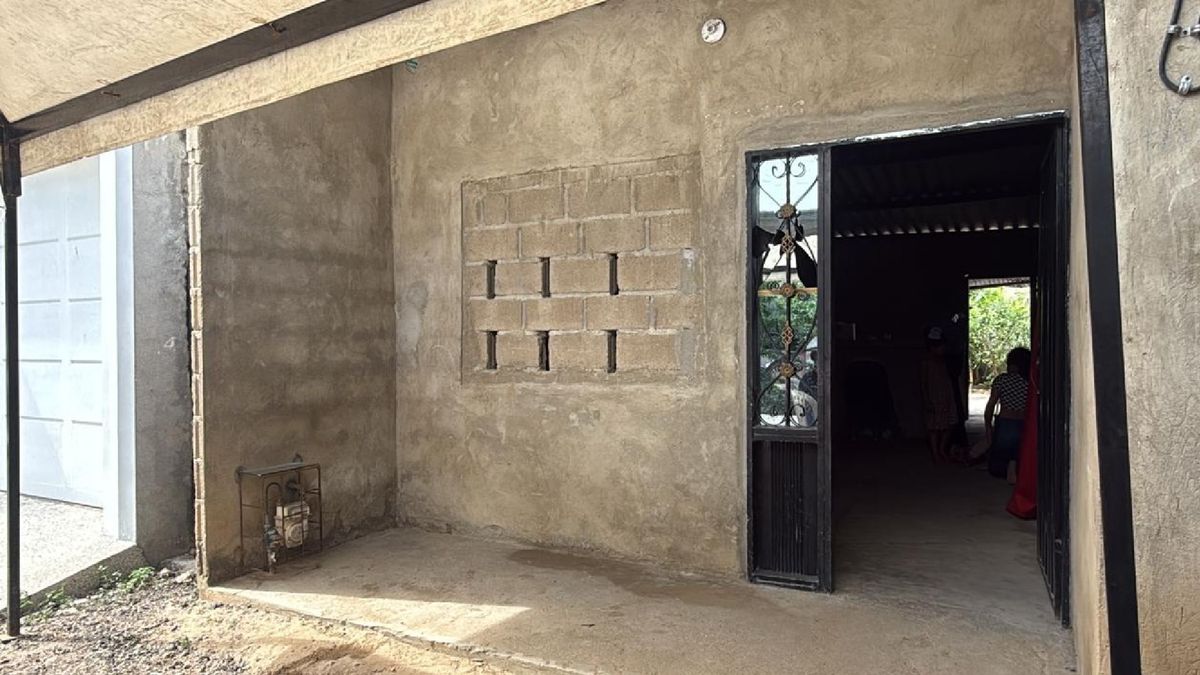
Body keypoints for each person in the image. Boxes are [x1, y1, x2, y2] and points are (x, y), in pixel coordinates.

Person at [984, 347, 1032, 482]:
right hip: (1023, 422)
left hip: (1005, 422)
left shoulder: (1002, 380)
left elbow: (991, 405)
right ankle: (1014, 467)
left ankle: (1009, 468)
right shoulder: (1030, 383)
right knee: (1018, 449)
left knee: (999, 455)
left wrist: (988, 426)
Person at [919, 327, 958, 463]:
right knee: (934, 427)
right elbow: (923, 382)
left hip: (946, 395)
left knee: (949, 424)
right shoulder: (926, 362)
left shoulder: (943, 361)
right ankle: (936, 452)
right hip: (934, 396)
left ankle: (941, 449)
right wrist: (926, 399)